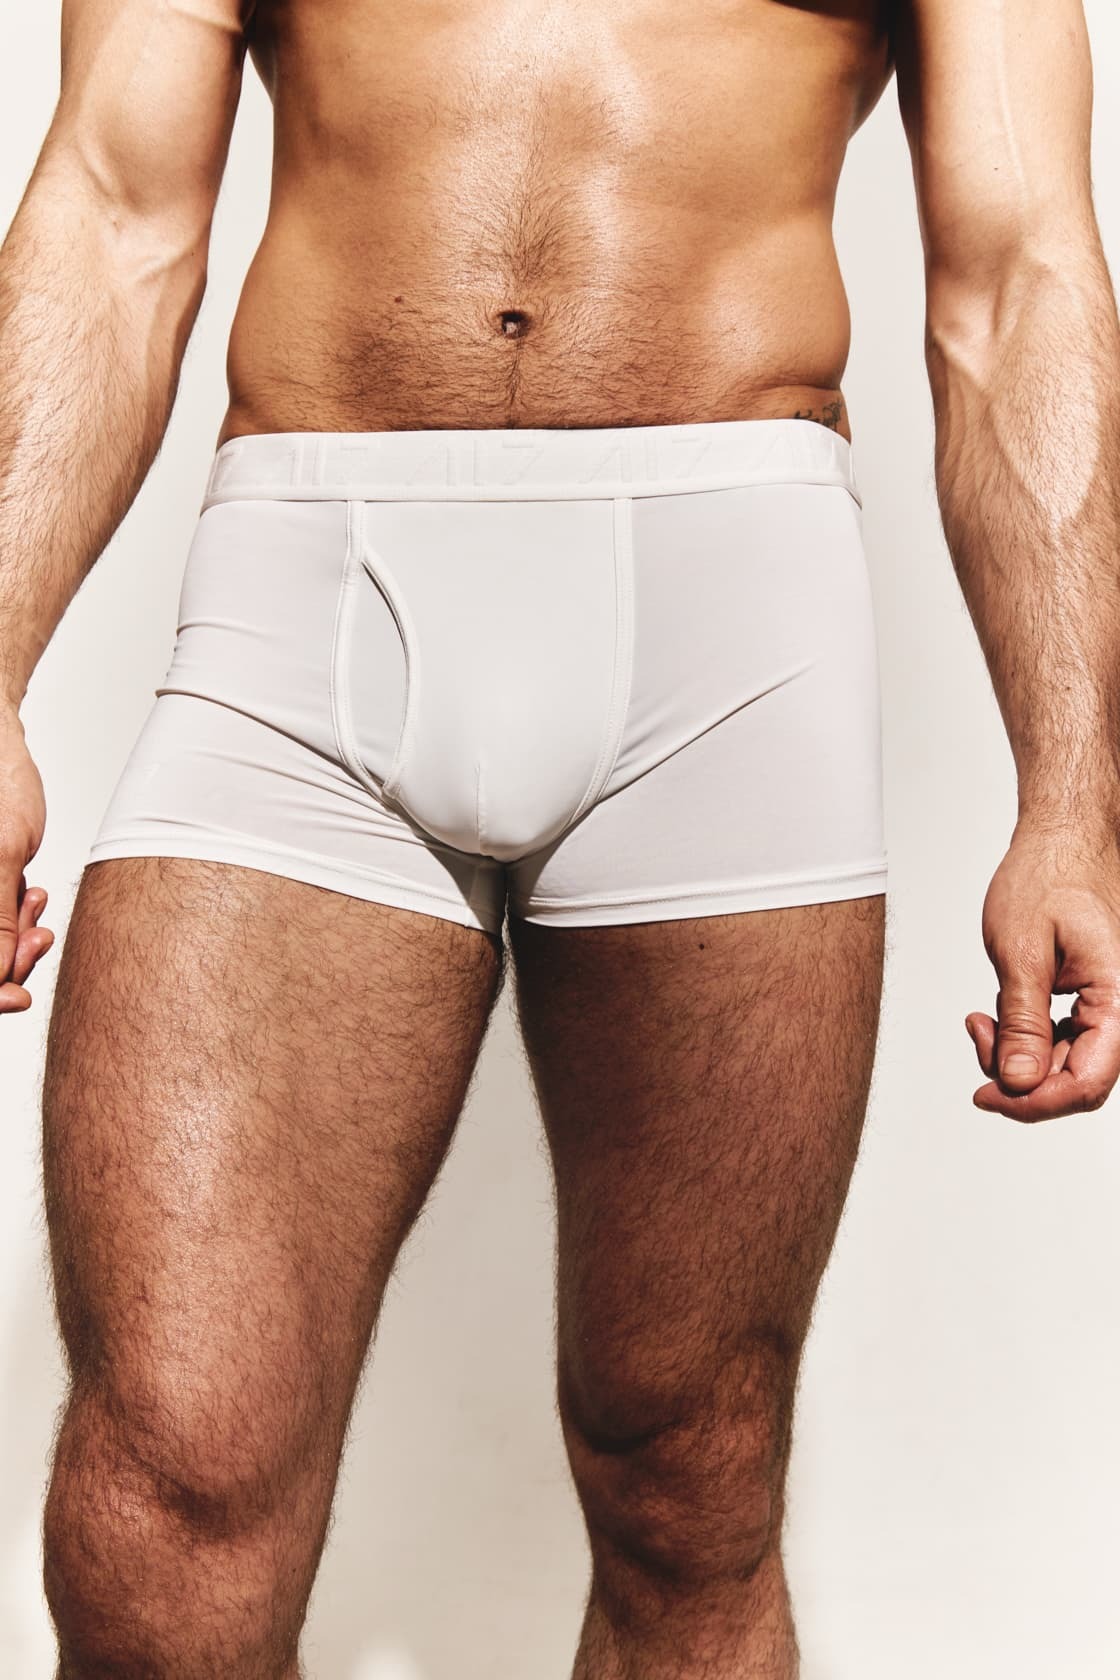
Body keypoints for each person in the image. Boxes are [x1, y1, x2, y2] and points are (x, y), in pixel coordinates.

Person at [2, 0, 1119, 1674]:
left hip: (732, 619)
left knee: (689, 1474)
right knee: (169, 1489)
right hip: (306, 587)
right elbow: (109, 208)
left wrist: (1073, 796)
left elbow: (1018, 270)